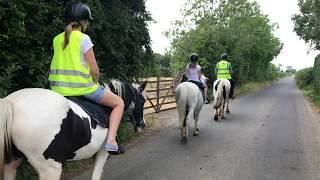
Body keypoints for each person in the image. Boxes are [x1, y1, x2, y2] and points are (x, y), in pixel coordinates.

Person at [48, 2, 125, 154]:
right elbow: (95, 70)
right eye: (88, 21)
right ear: (83, 21)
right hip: (82, 88)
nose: (88, 24)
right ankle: (111, 141)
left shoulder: (57, 39)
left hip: (57, 90)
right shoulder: (84, 38)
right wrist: (96, 82)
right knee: (119, 103)